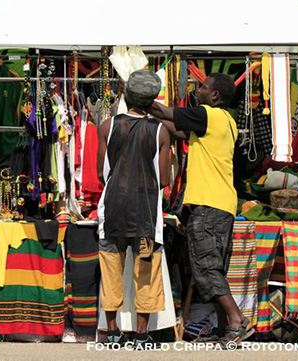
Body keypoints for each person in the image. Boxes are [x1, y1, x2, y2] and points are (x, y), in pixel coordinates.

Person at [148, 73, 253, 345]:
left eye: (203, 87)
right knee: (213, 269)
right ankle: (222, 329)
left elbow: (163, 110)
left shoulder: (208, 115)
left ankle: (236, 320)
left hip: (208, 204)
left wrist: (139, 97)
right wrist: (153, 118)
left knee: (206, 269)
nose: (198, 90)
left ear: (215, 95)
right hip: (222, 204)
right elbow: (175, 129)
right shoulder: (225, 121)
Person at [97, 69, 171, 349]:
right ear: (152, 100)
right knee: (146, 274)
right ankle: (141, 335)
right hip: (145, 213)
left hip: (113, 209)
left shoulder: (108, 126)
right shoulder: (161, 131)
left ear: (126, 98)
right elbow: (163, 179)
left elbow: (101, 173)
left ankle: (113, 332)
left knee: (111, 270)